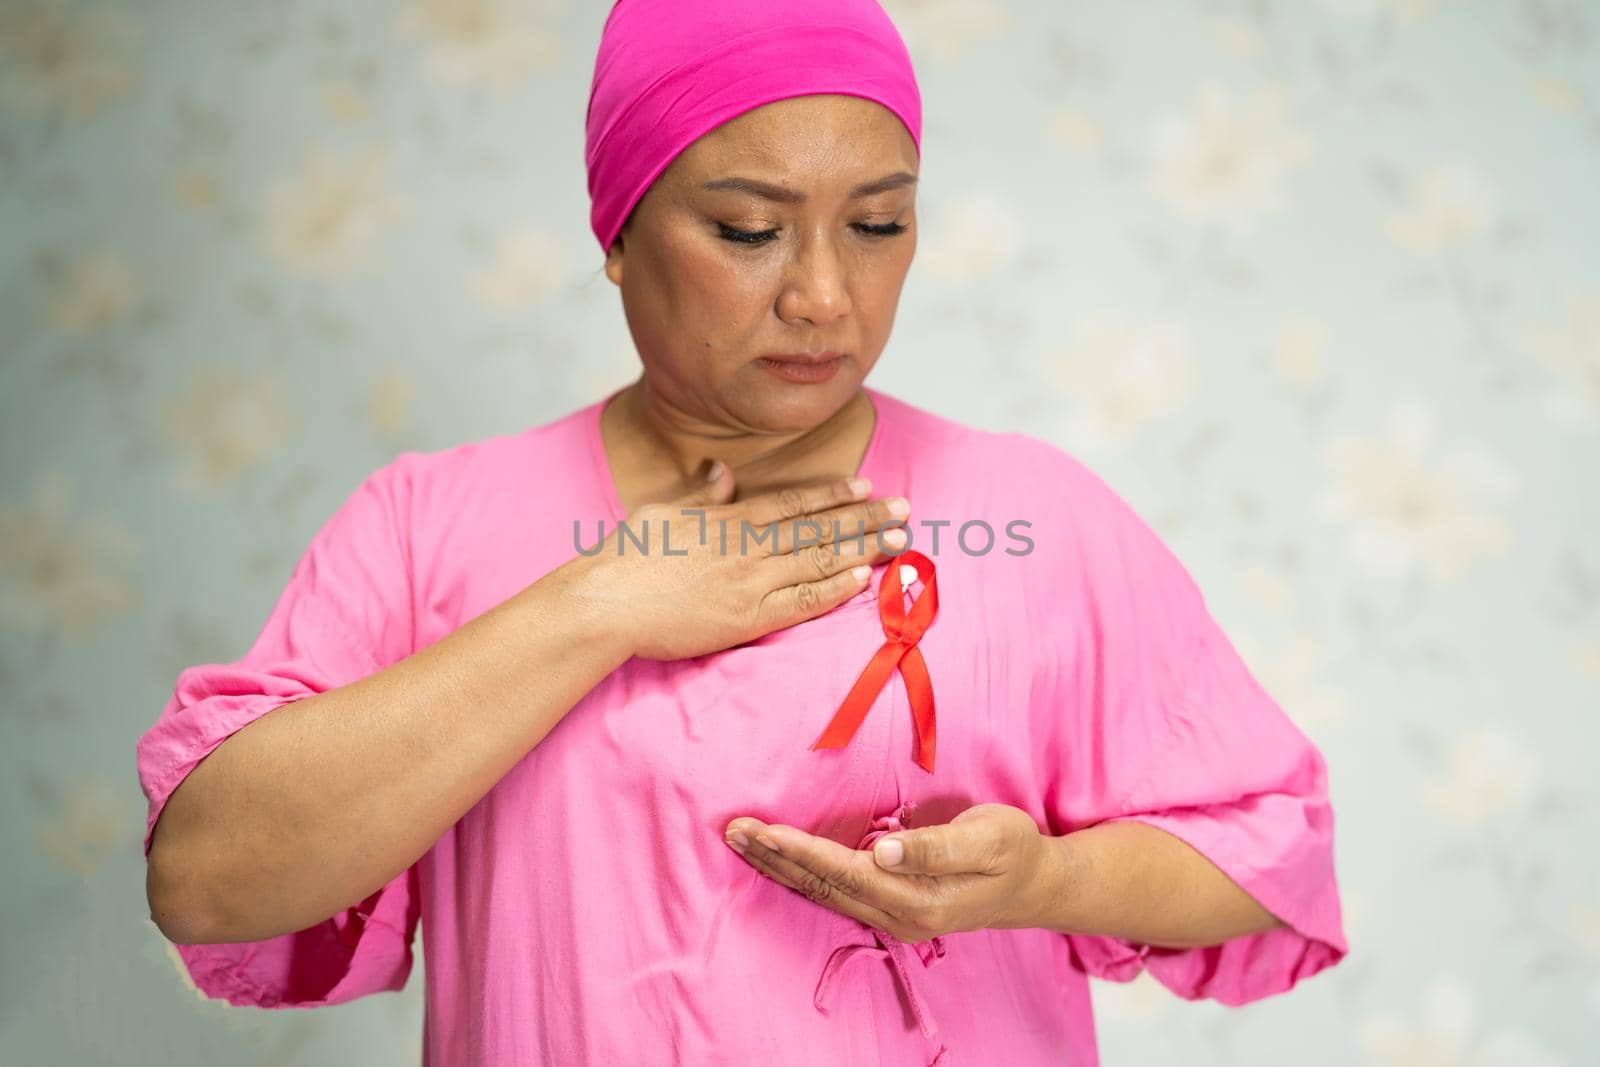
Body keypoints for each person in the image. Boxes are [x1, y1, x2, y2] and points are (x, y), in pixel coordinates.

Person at [136, 1, 1347, 1064]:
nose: (824, 296)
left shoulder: (1032, 516)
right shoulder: (428, 523)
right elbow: (207, 878)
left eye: (876, 226)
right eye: (749, 231)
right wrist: (602, 603)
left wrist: (1050, 878)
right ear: (616, 233)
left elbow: (1267, 848)